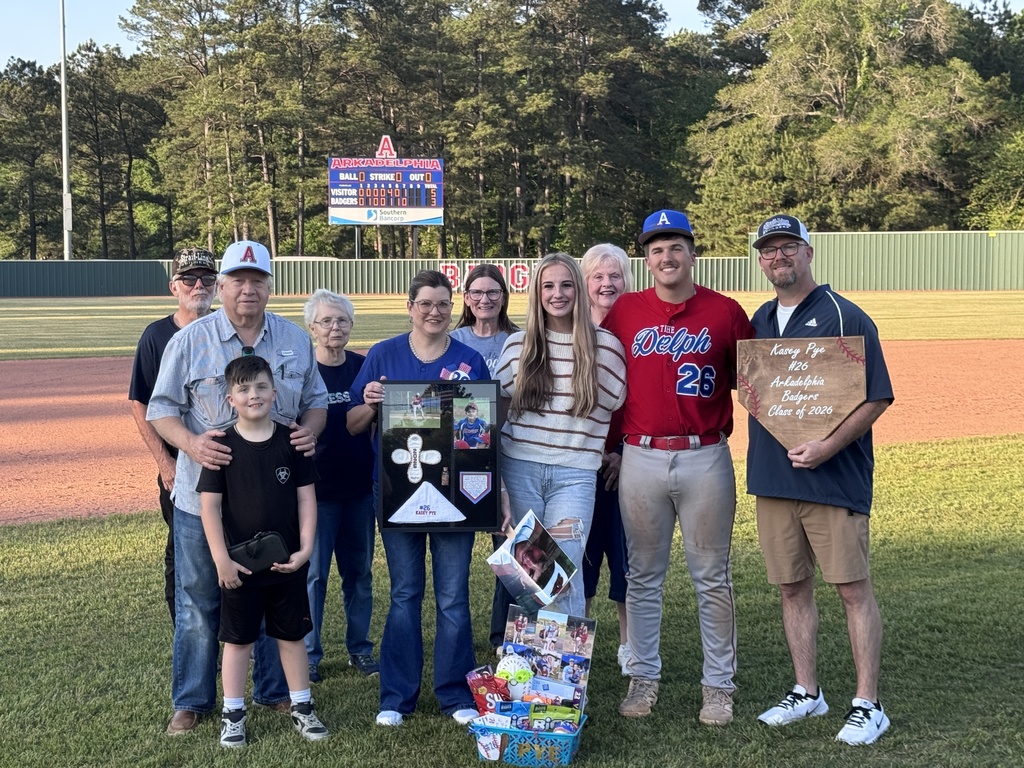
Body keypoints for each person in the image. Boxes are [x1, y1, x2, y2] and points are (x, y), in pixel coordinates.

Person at [147, 240, 328, 736]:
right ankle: (192, 700)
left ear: (269, 286)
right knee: (199, 597)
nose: (248, 289)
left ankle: (275, 694)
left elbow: (315, 400)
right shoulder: (188, 340)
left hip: (274, 495)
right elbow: (159, 408)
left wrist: (310, 430)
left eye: (258, 280)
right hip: (202, 498)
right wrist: (191, 444)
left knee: (273, 588)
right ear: (221, 286)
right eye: (238, 280)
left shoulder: (292, 339)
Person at [746, 214, 894, 746]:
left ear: (809, 252)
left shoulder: (843, 313)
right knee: (791, 587)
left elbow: (877, 394)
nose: (778, 257)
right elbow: (753, 390)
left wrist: (829, 445)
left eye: (788, 247)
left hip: (833, 479)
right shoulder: (760, 319)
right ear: (760, 259)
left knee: (852, 589)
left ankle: (868, 703)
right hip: (774, 477)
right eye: (769, 250)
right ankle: (807, 691)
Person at [602, 210, 754, 724]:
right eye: (655, 249)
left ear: (692, 254)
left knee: (712, 576)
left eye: (675, 247)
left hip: (705, 454)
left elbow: (757, 383)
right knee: (643, 576)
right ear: (647, 260)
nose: (665, 257)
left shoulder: (726, 313)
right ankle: (643, 679)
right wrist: (608, 447)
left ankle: (718, 687)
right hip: (640, 455)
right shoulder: (624, 311)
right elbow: (602, 378)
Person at [347, 269, 499, 728]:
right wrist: (372, 402)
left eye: (443, 303)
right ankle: (396, 697)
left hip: (456, 492)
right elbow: (354, 424)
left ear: (455, 307)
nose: (435, 312)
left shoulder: (470, 361)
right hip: (397, 492)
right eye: (426, 303)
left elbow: (485, 434)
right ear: (409, 306)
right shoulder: (382, 354)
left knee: (453, 596)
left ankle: (455, 696)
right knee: (404, 593)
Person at [197, 355, 328, 748]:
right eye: (243, 389)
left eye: (260, 387)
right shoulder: (222, 446)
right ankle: (233, 714)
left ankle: (302, 707)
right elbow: (210, 508)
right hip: (240, 566)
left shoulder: (292, 442)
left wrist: (305, 549)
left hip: (287, 562)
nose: (253, 394)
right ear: (230, 398)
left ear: (274, 391)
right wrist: (222, 559)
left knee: (291, 636)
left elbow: (307, 499)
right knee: (238, 640)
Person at [496, 252, 627, 619]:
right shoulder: (516, 347)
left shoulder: (607, 348)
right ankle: (528, 669)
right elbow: (498, 412)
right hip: (520, 469)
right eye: (548, 286)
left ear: (580, 290)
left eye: (567, 284)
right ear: (537, 293)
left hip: (575, 475)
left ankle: (562, 675)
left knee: (563, 572)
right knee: (530, 573)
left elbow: (621, 405)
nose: (558, 294)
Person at [128, 247, 217, 625]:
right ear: (174, 287)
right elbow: (140, 403)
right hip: (178, 465)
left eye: (207, 279)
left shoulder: (225, 330)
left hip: (225, 464)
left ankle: (232, 632)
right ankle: (188, 627)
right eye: (189, 279)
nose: (198, 285)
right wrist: (165, 464)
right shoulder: (157, 336)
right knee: (183, 550)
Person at [302, 289, 378, 682]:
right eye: (327, 321)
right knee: (314, 576)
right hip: (316, 491)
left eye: (342, 320)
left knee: (359, 573)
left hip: (360, 488)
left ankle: (360, 649)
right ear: (312, 327)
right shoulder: (302, 369)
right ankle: (310, 654)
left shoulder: (363, 368)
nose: (335, 327)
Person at [450, 263, 521, 653]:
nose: (484, 299)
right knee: (457, 542)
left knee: (508, 539)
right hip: (465, 454)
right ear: (466, 298)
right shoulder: (453, 340)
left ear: (503, 297)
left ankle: (503, 634)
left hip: (511, 449)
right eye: (476, 292)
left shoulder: (520, 338)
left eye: (492, 292)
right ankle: (457, 630)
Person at [579, 243, 632, 675]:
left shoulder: (635, 325)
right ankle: (576, 647)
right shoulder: (570, 326)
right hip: (577, 463)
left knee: (625, 556)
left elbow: (642, 399)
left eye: (614, 275)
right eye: (597, 276)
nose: (606, 283)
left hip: (626, 461)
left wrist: (621, 451)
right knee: (577, 556)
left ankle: (629, 648)